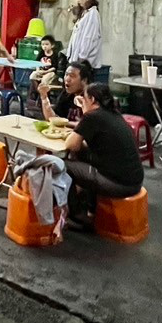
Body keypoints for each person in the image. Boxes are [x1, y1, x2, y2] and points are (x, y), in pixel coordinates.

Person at [63, 83, 145, 226]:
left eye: (84, 97)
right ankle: (91, 209)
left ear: (92, 99)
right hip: (134, 181)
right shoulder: (114, 114)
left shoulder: (92, 116)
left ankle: (77, 217)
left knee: (62, 165)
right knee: (82, 156)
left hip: (118, 184)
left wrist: (84, 111)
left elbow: (71, 145)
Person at [66, 0, 103, 80]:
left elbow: (89, 37)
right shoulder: (84, 13)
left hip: (84, 59)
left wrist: (82, 56)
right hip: (77, 57)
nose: (78, 0)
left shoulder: (93, 14)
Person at [39, 61, 92, 125]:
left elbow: (90, 125)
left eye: (72, 76)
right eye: (66, 74)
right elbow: (52, 118)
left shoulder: (92, 97)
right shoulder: (66, 95)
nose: (67, 79)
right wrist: (44, 97)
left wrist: (66, 123)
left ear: (84, 80)